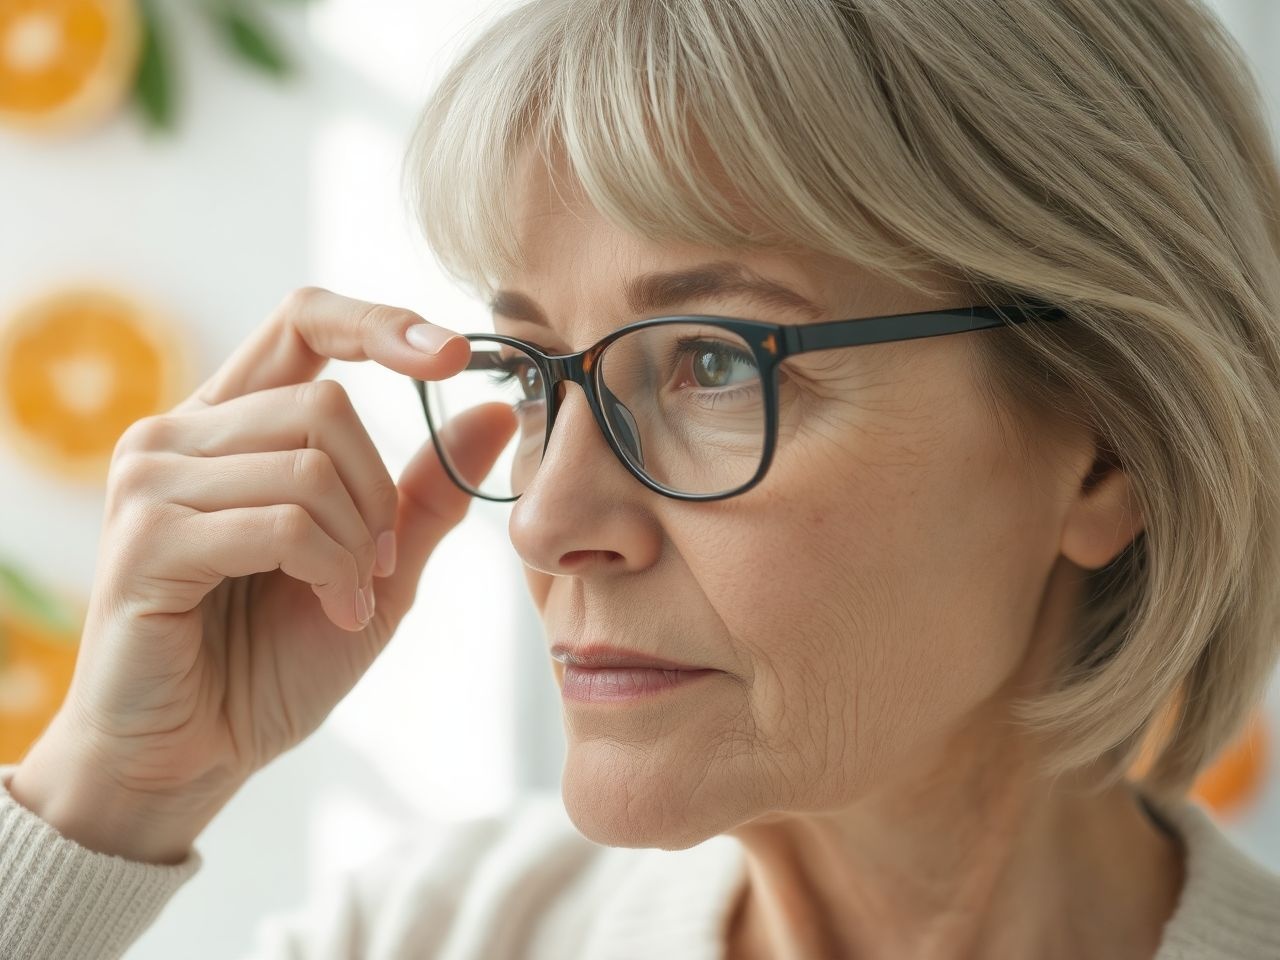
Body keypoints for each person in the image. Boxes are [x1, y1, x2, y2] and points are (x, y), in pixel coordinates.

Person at [3, 0, 1280, 957]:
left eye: (713, 364)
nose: (549, 526)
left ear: (1107, 443)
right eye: (530, 368)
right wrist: (110, 794)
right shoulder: (437, 935)